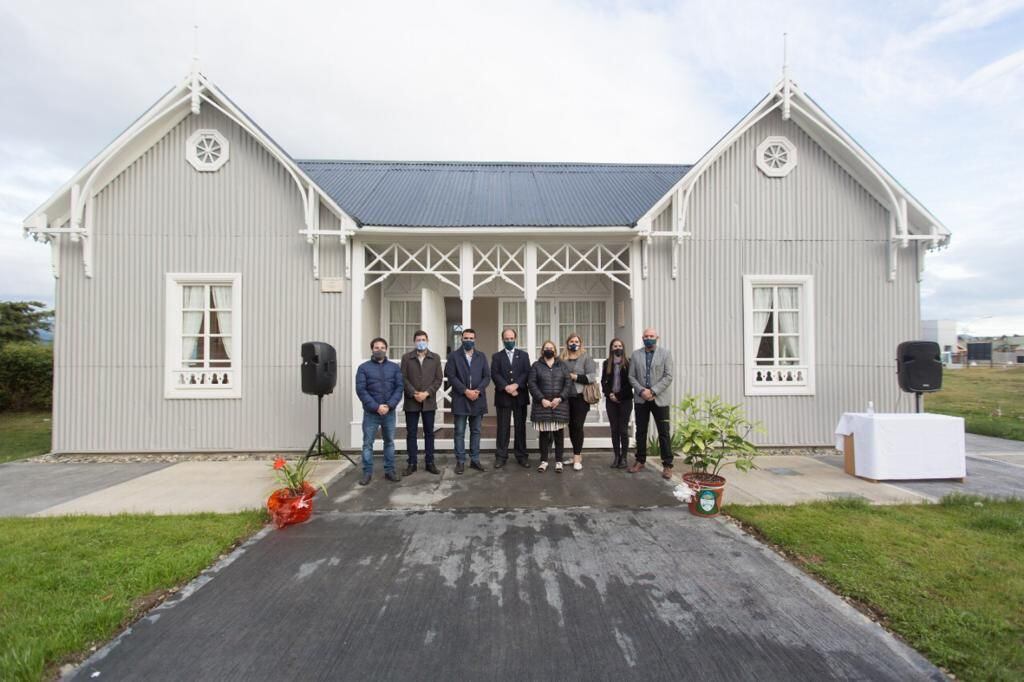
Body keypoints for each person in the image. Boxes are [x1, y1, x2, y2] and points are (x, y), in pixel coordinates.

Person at [355, 337, 404, 486]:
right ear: (372, 349)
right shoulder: (363, 368)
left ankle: (390, 471)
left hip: (389, 412)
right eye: (376, 347)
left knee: (389, 442)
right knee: (367, 444)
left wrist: (389, 405)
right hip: (371, 413)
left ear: (386, 349)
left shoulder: (394, 368)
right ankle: (367, 473)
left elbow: (399, 387)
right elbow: (361, 390)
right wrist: (376, 407)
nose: (379, 350)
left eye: (382, 347)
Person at [627, 328, 675, 479]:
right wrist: (642, 391)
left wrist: (653, 391)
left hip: (659, 399)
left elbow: (668, 376)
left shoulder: (665, 354)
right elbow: (631, 376)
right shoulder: (636, 355)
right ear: (642, 338)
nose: (648, 338)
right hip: (641, 399)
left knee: (664, 432)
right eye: (646, 336)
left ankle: (667, 464)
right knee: (641, 431)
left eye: (651, 336)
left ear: (657, 338)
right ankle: (640, 460)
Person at [444, 328, 489, 474]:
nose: (468, 340)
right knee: (459, 432)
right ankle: (460, 461)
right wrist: (465, 391)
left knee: (476, 431)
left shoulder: (481, 356)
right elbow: (451, 376)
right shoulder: (454, 356)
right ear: (462, 339)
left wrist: (477, 391)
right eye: (466, 338)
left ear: (475, 339)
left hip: (478, 398)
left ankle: (475, 460)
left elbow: (487, 377)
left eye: (471, 338)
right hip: (460, 399)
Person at [400, 330, 443, 476]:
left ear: (427, 340)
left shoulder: (435, 358)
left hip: (428, 402)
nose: (421, 342)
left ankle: (430, 462)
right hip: (411, 402)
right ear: (414, 341)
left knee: (429, 433)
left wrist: (427, 393)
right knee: (411, 433)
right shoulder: (406, 358)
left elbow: (438, 379)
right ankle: (412, 463)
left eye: (423, 339)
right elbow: (403, 378)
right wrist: (414, 393)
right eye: (418, 339)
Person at [528, 340, 572, 473]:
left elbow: (568, 383)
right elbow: (532, 383)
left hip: (559, 406)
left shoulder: (562, 365)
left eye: (551, 348)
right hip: (543, 407)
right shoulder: (536, 366)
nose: (549, 350)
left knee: (559, 435)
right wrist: (541, 399)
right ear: (542, 351)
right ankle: (544, 461)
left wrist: (560, 398)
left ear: (555, 351)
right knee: (544, 436)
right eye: (546, 348)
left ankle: (559, 462)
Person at [491, 327, 531, 468]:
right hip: (503, 396)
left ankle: (521, 456)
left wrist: (516, 385)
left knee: (520, 427)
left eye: (511, 338)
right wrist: (507, 387)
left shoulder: (524, 355)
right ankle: (501, 456)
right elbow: (495, 374)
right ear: (502, 339)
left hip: (520, 396)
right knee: (503, 428)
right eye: (506, 339)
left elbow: (527, 372)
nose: (509, 341)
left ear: (515, 339)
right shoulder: (497, 356)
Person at [561, 333, 598, 471]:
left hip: (580, 397)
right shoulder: (562, 358)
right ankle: (575, 454)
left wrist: (574, 377)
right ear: (567, 343)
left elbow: (592, 377)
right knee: (570, 426)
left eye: (576, 341)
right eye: (571, 341)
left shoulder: (586, 358)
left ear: (580, 343)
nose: (574, 343)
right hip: (565, 397)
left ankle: (577, 456)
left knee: (577, 426)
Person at [601, 337, 633, 469]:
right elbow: (603, 382)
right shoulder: (606, 363)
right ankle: (616, 457)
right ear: (611, 348)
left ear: (623, 348)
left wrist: (618, 395)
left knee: (623, 430)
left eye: (619, 346)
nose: (617, 348)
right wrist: (610, 394)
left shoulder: (629, 363)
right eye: (615, 346)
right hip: (611, 401)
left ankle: (624, 458)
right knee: (614, 429)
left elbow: (630, 382)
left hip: (625, 400)